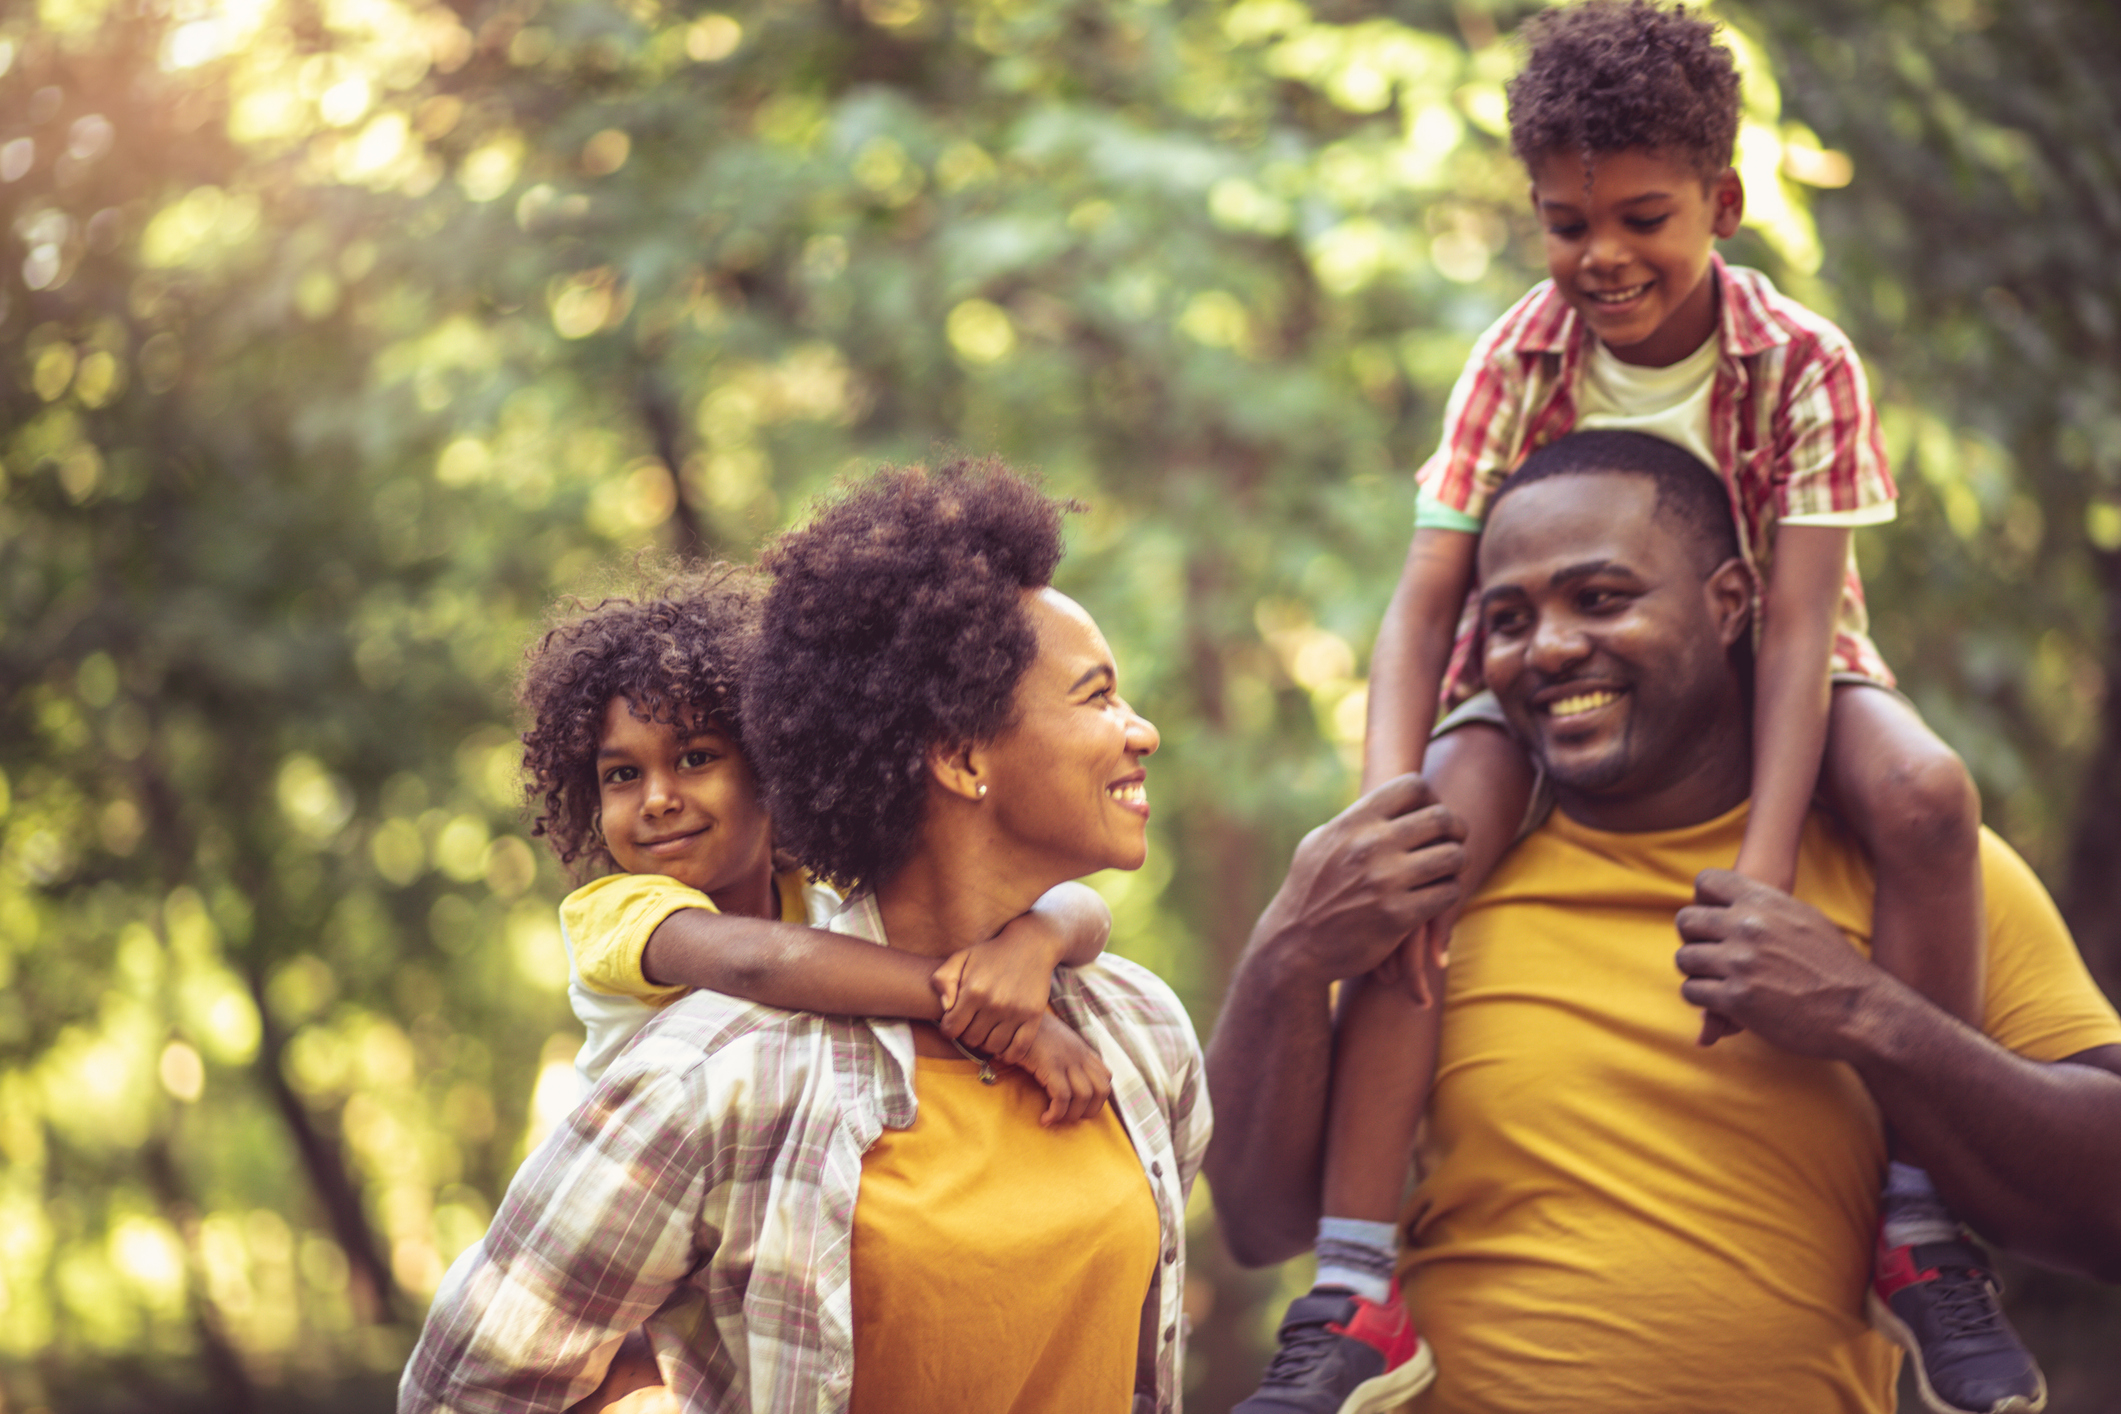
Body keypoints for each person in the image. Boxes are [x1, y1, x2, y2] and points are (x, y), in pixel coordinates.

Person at [1251, 4, 2003, 1410]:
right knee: (1413, 871)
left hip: (1787, 656)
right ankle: (1355, 1286)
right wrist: (1381, 810)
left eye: (1640, 217)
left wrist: (1766, 868)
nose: (1600, 257)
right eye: (1563, 223)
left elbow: (1790, 624)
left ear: (1721, 201)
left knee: (1926, 798)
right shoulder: (1515, 358)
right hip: (1537, 671)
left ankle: (1921, 1230)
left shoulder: (1803, 363)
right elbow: (1422, 604)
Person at [1206, 433, 2121, 1414]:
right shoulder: (1442, 889)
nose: (1549, 648)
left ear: (1729, 604)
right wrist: (1288, 948)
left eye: (1601, 599)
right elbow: (1259, 1222)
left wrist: (1868, 1013)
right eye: (1508, 620)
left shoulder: (1921, 868)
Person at [399, 461, 1208, 1414]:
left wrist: (1029, 951)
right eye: (1097, 696)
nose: (1141, 730)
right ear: (957, 755)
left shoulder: (1140, 1037)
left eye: (697, 761)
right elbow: (470, 1390)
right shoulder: (710, 1068)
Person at [513, 561, 1115, 1118]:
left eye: (696, 759)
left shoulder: (819, 893)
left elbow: (1086, 909)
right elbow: (754, 964)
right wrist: (992, 1012)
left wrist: (1036, 942)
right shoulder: (615, 916)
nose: (656, 799)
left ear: (767, 769)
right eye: (622, 775)